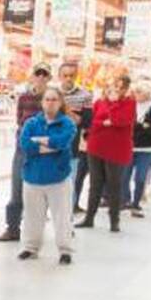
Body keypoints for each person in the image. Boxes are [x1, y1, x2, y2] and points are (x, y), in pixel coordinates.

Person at [18, 87, 77, 265]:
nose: (50, 103)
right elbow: (25, 145)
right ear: (42, 102)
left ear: (60, 103)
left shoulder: (67, 123)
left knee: (62, 216)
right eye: (47, 99)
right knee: (32, 216)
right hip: (32, 178)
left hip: (58, 178)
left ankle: (65, 250)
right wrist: (49, 144)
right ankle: (30, 248)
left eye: (54, 100)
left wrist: (40, 141)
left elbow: (62, 142)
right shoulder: (31, 123)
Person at [0, 65, 50, 242]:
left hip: (43, 152)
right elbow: (19, 120)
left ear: (49, 78)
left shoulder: (52, 98)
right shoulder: (24, 97)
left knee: (38, 194)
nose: (41, 77)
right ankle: (12, 228)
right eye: (38, 73)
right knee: (16, 190)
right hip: (22, 149)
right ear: (32, 76)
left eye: (45, 74)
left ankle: (34, 232)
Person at [77, 74, 133, 233]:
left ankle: (114, 220)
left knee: (114, 185)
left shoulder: (129, 103)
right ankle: (89, 218)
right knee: (95, 184)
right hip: (96, 147)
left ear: (126, 89)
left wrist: (113, 108)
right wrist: (106, 122)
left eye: (121, 87)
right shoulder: (99, 103)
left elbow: (123, 121)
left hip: (116, 149)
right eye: (115, 85)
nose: (117, 89)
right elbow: (93, 122)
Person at [58, 62, 93, 213]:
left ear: (76, 76)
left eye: (71, 75)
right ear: (60, 76)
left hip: (72, 148)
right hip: (51, 148)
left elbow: (85, 121)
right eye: (65, 75)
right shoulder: (51, 92)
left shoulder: (85, 95)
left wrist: (64, 110)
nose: (68, 78)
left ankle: (68, 221)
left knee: (70, 185)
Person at [124, 81, 151, 217]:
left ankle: (136, 203)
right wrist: (141, 125)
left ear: (148, 94)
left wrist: (137, 126)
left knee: (140, 177)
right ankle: (127, 200)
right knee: (124, 176)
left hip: (147, 148)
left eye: (140, 92)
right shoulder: (130, 106)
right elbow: (128, 125)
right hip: (129, 146)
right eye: (136, 91)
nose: (137, 94)